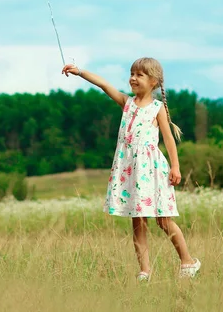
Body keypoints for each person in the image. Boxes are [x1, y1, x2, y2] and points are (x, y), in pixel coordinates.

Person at [62, 57, 201, 280]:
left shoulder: (157, 109)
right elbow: (104, 85)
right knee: (137, 221)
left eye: (140, 75)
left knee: (163, 220)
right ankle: (145, 271)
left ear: (154, 81)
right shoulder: (127, 103)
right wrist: (79, 72)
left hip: (151, 170)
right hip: (130, 170)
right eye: (132, 73)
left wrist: (175, 167)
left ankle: (188, 262)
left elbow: (169, 139)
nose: (133, 78)